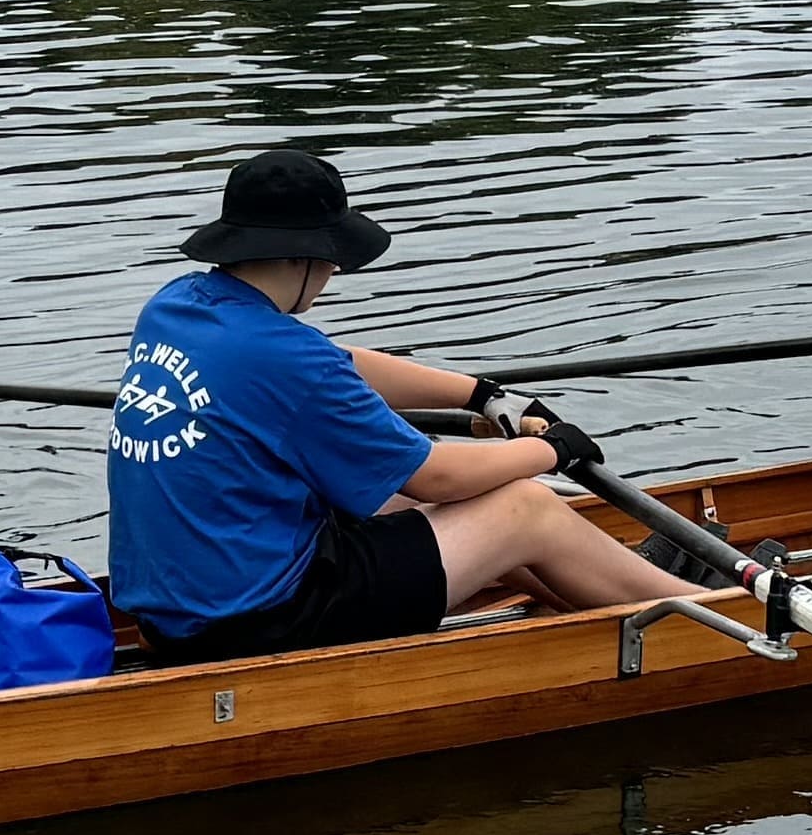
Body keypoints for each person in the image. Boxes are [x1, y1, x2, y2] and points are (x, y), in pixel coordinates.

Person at [105, 149, 699, 660]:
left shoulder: (177, 307)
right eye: (332, 254)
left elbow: (338, 363)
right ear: (301, 256)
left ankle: (604, 596)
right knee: (524, 506)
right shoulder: (285, 358)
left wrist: (477, 395)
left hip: (170, 613)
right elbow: (438, 477)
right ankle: (715, 612)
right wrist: (548, 450)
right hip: (261, 621)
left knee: (414, 498)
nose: (337, 268)